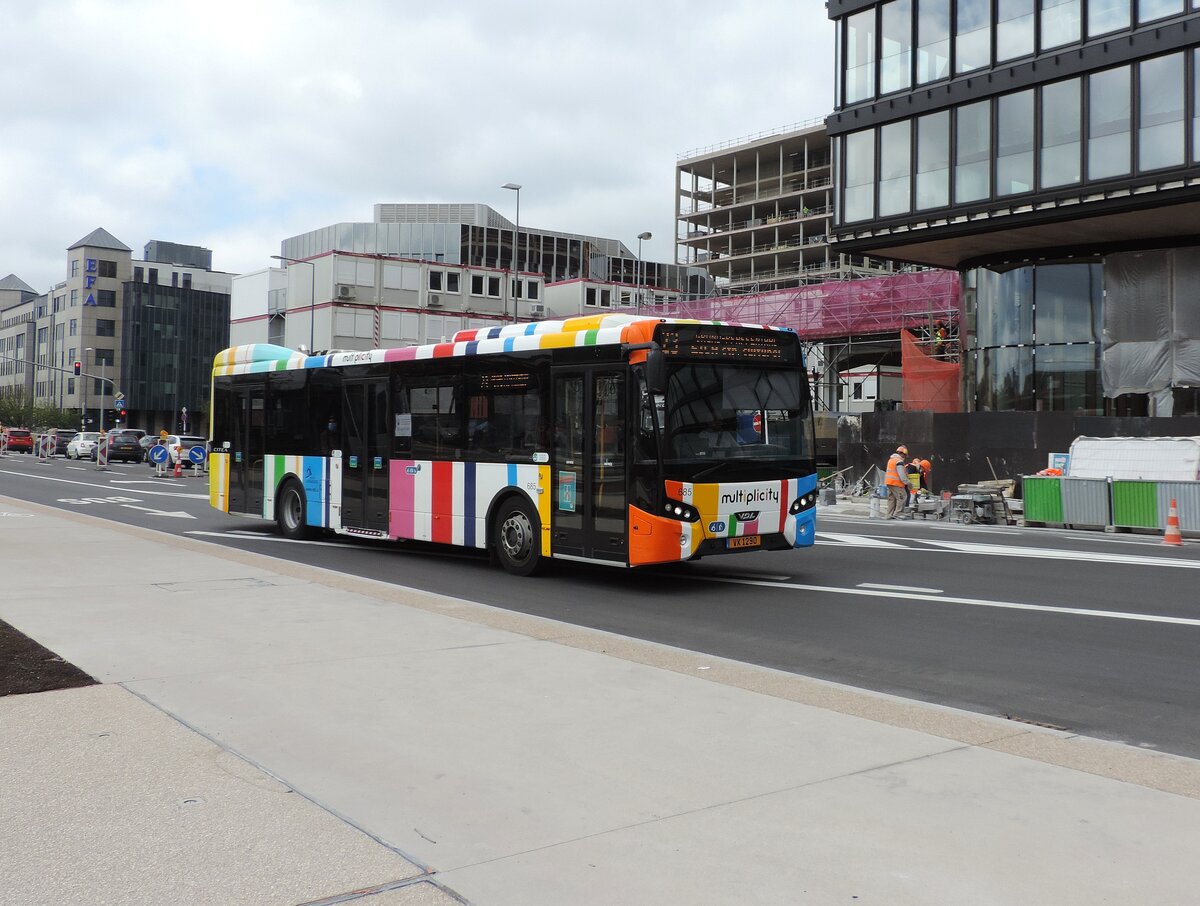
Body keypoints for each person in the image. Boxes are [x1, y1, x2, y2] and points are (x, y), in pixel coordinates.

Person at [884, 444, 909, 519]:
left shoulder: (891, 459)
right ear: (902, 454)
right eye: (904, 455)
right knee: (902, 497)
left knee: (892, 499)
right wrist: (908, 483)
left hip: (889, 482)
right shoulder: (899, 461)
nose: (905, 457)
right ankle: (898, 513)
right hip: (896, 483)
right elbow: (901, 474)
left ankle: (889, 514)